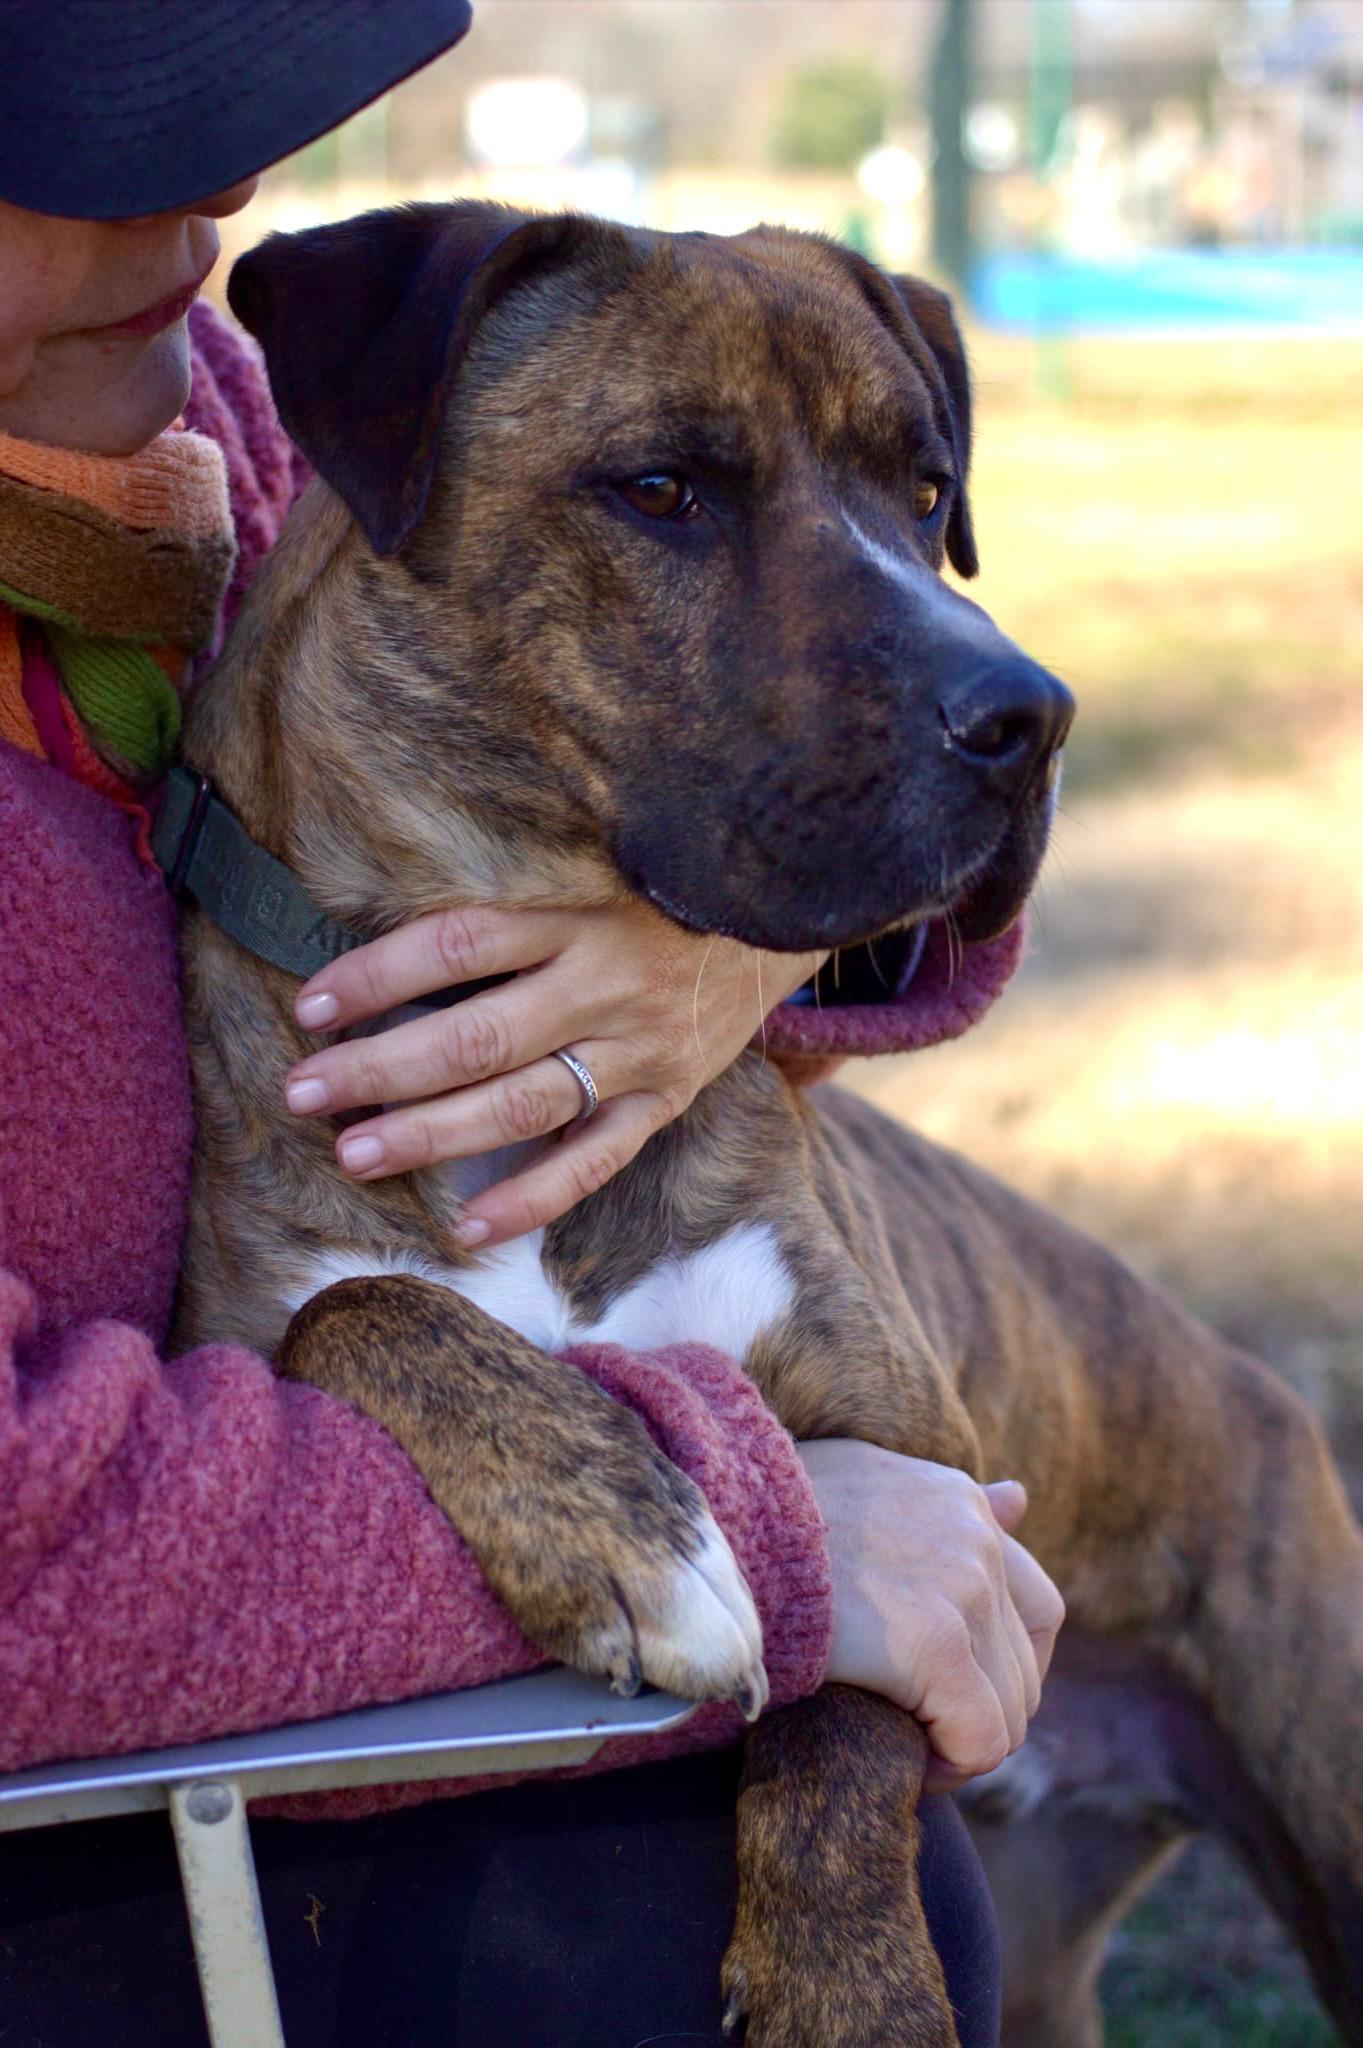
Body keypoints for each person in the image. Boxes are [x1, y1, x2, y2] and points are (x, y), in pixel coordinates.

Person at [0, 4, 1064, 2042]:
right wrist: (775, 1530)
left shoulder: (208, 417)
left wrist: (700, 963)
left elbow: (702, 707)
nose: (218, 187)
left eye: (223, 118)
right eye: (89, 142)